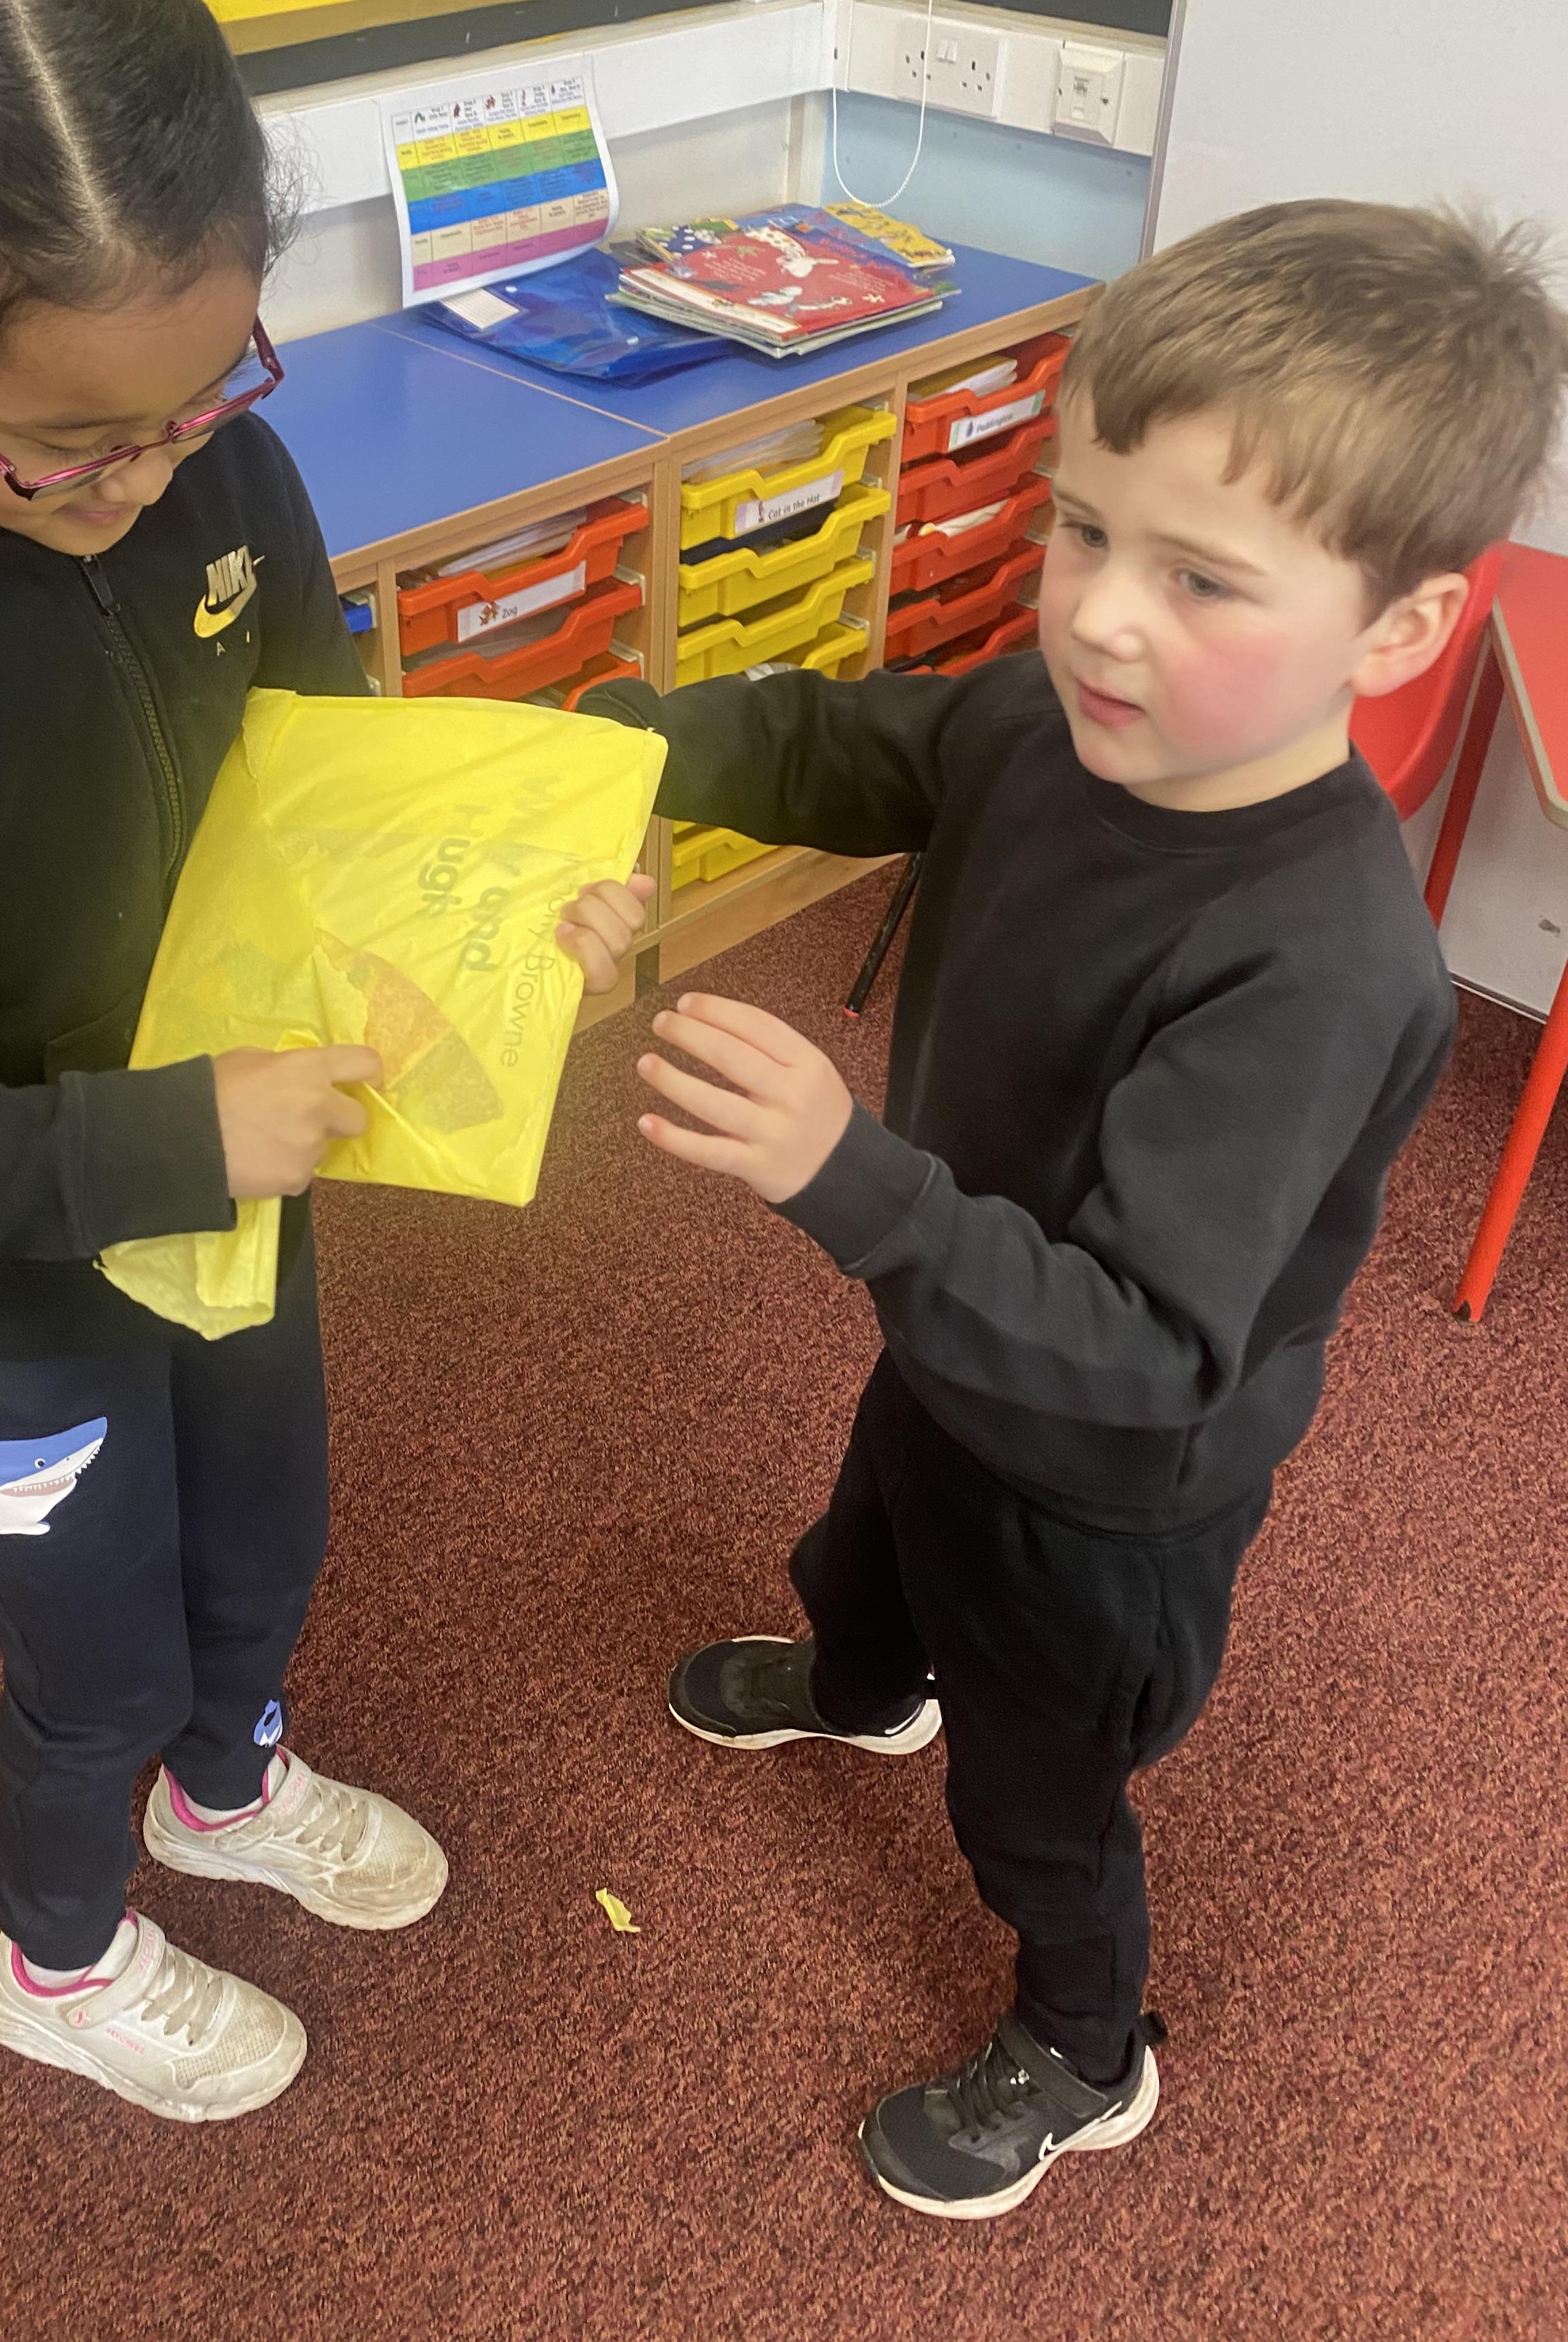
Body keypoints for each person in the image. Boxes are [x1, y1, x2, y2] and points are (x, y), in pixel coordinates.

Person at [0, 0, 651, 2126]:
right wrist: (163, 1138)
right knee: (88, 1661)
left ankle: (230, 1784)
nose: (153, 472)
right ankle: (64, 1954)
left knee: (260, 1546)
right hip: (6, 1288)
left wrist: (513, 921)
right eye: (70, 442)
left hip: (233, 1197)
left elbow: (327, 798)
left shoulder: (218, 469)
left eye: (205, 395)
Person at [585, 201, 1568, 2218]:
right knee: (872, 1539)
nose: (1103, 615)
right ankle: (862, 1684)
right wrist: (620, 752)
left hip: (1109, 1483)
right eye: (1083, 527)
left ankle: (1085, 2041)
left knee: (1038, 1793)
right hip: (959, 1335)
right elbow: (847, 741)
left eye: (1202, 577)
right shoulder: (1051, 718)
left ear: (1396, 632)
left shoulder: (1316, 963)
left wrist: (850, 1178)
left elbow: (1144, 1345)